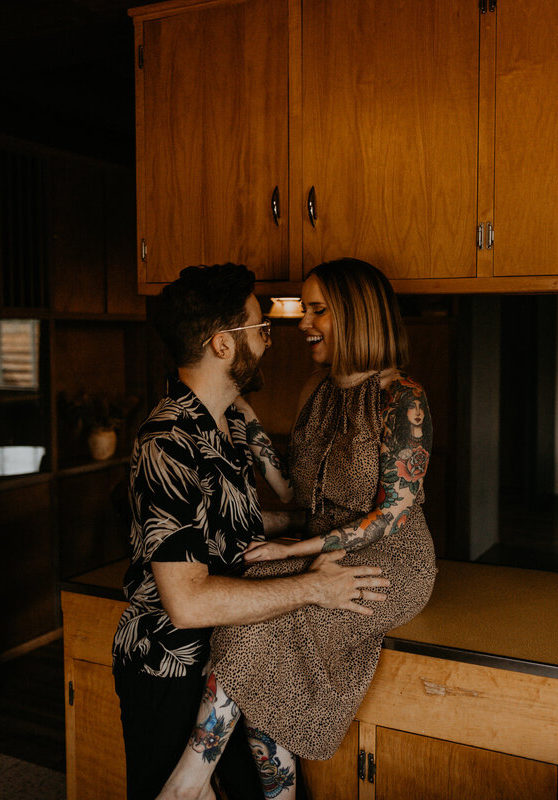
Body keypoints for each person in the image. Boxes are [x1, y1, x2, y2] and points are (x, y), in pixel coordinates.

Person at [158, 258, 438, 800]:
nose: (304, 322)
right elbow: (293, 490)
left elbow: (393, 512)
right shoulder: (316, 389)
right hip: (324, 551)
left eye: (317, 310)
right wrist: (245, 416)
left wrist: (300, 544)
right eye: (304, 310)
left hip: (394, 559)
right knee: (260, 615)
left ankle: (190, 781)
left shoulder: (404, 397)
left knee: (258, 628)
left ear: (355, 315)